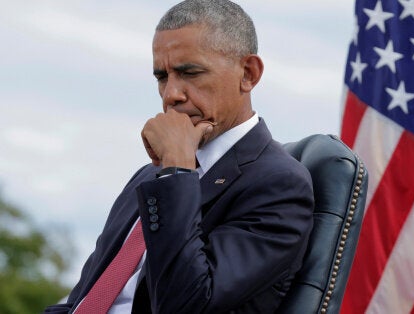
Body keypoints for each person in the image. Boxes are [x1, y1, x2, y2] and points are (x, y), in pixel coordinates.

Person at [44, 0, 314, 313]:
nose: (171, 95)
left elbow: (183, 305)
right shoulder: (148, 178)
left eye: (190, 73)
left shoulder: (279, 184)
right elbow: (83, 299)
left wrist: (176, 171)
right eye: (162, 77)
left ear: (248, 74)